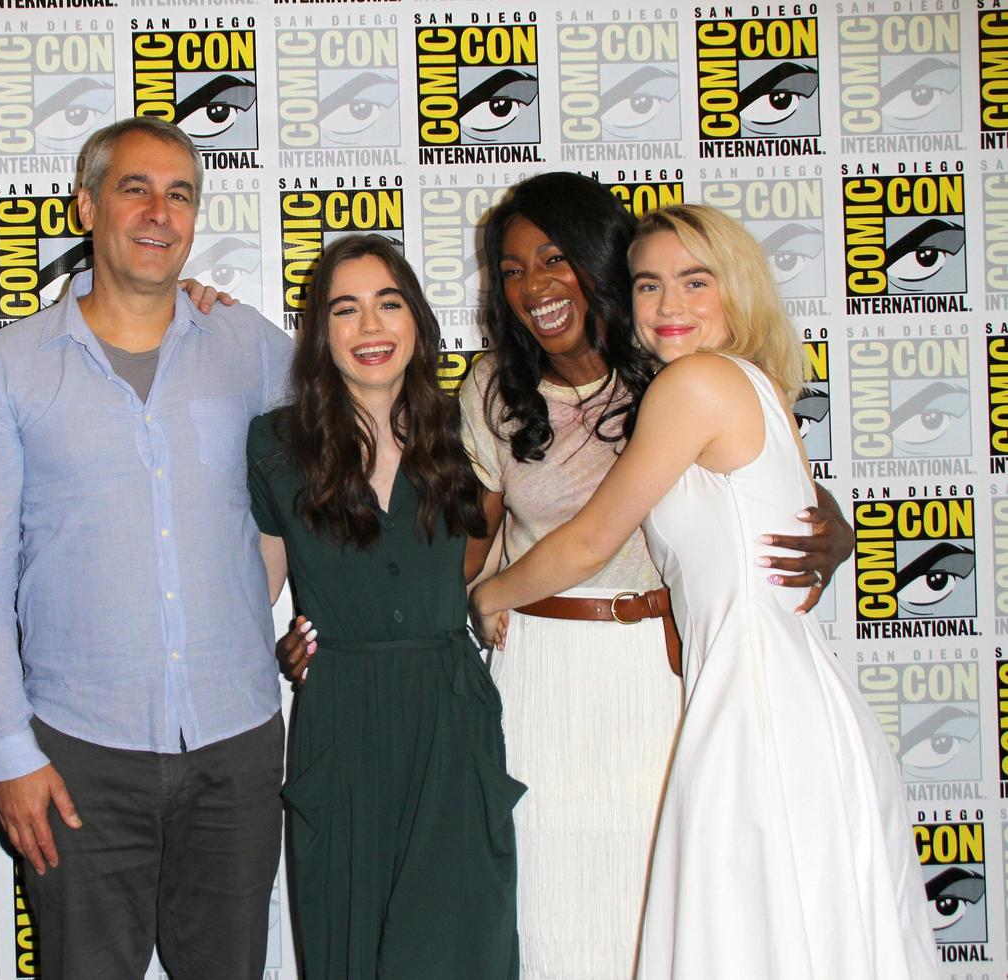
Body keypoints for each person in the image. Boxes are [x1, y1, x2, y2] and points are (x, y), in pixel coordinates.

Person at [471, 204, 935, 978]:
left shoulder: (694, 385)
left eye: (695, 281)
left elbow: (592, 539)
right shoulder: (753, 384)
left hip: (754, 702)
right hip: (772, 693)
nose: (668, 305)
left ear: (737, 287)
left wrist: (490, 596)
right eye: (650, 286)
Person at [0, 117, 292, 979]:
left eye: (180, 194)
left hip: (236, 744)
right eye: (135, 188)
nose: (159, 211)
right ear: (87, 205)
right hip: (76, 757)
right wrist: (9, 753)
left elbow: (356, 450)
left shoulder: (249, 345)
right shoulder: (12, 366)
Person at [250, 234, 523, 979]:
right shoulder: (276, 446)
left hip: (449, 716)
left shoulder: (466, 429)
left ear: (417, 322)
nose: (370, 328)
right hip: (341, 721)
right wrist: (277, 645)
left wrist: (492, 599)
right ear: (319, 333)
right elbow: (256, 594)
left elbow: (511, 539)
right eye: (346, 310)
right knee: (350, 947)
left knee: (460, 944)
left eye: (388, 304)